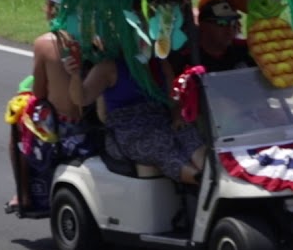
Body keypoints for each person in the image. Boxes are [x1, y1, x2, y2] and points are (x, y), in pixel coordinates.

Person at [5, 0, 94, 215]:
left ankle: (23, 195)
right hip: (93, 124)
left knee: (17, 121)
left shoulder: (45, 44)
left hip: (64, 129)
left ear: (53, 9)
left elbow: (40, 94)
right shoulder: (96, 39)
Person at [66, 52, 206, 185]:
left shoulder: (159, 63)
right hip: (127, 130)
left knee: (186, 132)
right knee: (160, 144)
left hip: (160, 120)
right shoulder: (108, 68)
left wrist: (177, 117)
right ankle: (203, 181)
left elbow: (173, 101)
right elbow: (81, 98)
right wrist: (75, 76)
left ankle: (211, 174)